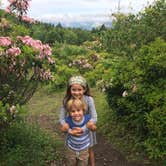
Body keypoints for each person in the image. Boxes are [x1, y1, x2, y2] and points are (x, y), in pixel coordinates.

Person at [59, 75, 97, 166]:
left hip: (87, 129)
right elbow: (61, 118)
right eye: (74, 90)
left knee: (89, 149)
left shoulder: (89, 100)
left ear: (84, 89)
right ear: (69, 90)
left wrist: (84, 129)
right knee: (72, 152)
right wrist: (69, 130)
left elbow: (94, 117)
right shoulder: (66, 100)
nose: (76, 93)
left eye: (79, 90)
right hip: (72, 127)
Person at [63, 98, 97, 166]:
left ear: (83, 110)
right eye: (73, 111)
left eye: (78, 110)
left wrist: (92, 127)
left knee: (83, 164)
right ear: (69, 112)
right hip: (71, 149)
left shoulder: (87, 119)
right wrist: (67, 129)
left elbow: (94, 129)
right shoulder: (68, 120)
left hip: (84, 149)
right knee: (70, 163)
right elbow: (63, 129)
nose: (76, 113)